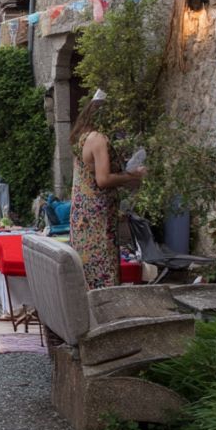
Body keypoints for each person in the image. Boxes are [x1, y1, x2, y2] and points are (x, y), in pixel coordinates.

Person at [69, 90, 146, 289]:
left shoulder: (81, 136)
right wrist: (133, 175)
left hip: (81, 212)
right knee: (103, 263)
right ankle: (105, 312)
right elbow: (102, 180)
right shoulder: (98, 139)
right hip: (97, 214)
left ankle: (88, 311)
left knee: (86, 265)